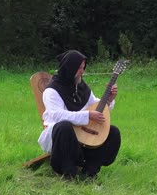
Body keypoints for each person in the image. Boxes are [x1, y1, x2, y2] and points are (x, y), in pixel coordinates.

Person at [38, 50, 121, 180]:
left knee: (114, 132)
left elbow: (96, 107)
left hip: (84, 136)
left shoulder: (80, 86)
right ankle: (68, 173)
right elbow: (57, 115)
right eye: (79, 68)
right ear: (69, 68)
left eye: (83, 68)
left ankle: (90, 171)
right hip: (62, 139)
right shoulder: (52, 90)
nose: (82, 71)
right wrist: (87, 116)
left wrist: (109, 99)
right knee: (64, 126)